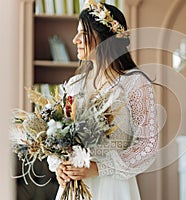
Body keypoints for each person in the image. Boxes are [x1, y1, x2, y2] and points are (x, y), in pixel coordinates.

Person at [47, 1, 158, 199]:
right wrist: (59, 166)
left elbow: (147, 146)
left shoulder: (135, 83)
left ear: (105, 37)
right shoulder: (74, 84)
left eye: (84, 33)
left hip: (114, 188)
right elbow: (59, 135)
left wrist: (99, 168)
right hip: (74, 188)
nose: (75, 40)